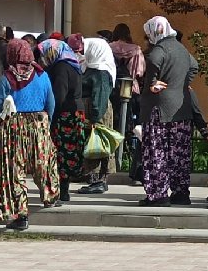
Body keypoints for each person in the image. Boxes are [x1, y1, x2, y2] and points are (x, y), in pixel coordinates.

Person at [0, 38, 60, 230]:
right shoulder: (42, 75)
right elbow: (50, 102)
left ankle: (20, 216)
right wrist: (46, 123)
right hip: (39, 124)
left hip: (13, 129)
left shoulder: (6, 78)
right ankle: (51, 196)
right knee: (43, 163)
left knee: (14, 171)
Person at [137, 16, 196, 207]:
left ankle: (158, 194)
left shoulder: (160, 49)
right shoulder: (181, 48)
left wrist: (152, 82)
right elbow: (194, 66)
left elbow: (154, 60)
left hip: (159, 108)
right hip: (181, 108)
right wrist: (182, 83)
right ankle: (181, 193)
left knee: (157, 151)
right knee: (178, 153)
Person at [37, 39, 90, 203]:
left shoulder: (60, 68)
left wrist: (49, 114)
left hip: (64, 115)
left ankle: (62, 190)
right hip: (75, 113)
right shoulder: (73, 64)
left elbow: (58, 95)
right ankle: (63, 188)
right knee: (69, 153)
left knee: (60, 153)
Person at [78, 34, 116, 194]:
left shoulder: (101, 72)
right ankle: (96, 180)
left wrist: (94, 118)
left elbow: (99, 96)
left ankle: (98, 180)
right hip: (94, 110)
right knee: (95, 145)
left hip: (97, 112)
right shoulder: (93, 66)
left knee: (97, 145)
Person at [110, 23, 146, 179]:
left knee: (114, 121)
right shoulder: (136, 49)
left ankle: (114, 152)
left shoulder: (108, 47)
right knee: (134, 122)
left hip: (112, 87)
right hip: (131, 88)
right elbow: (139, 71)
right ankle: (129, 151)